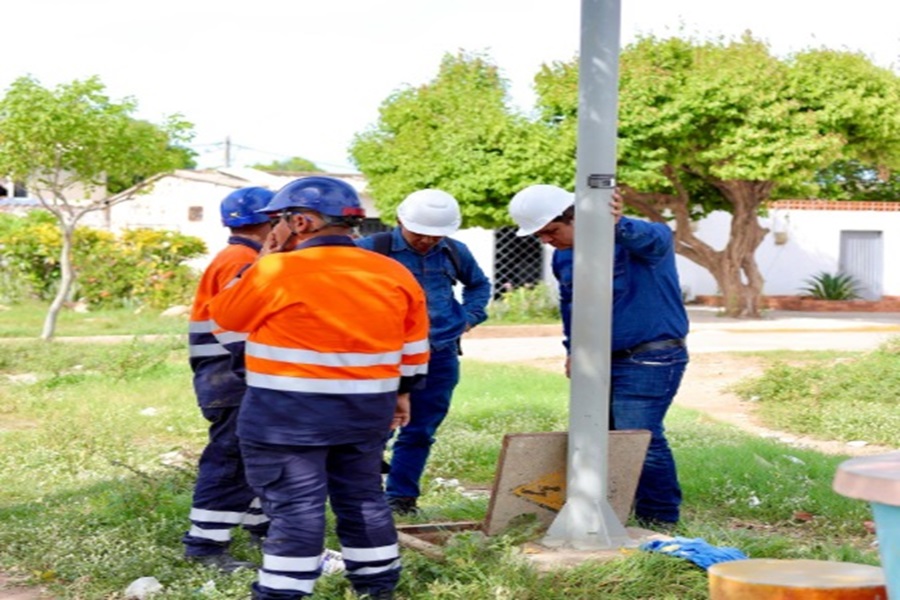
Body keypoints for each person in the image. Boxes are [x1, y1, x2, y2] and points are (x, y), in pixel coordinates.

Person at [209, 176, 430, 600]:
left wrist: (261, 262)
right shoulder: (394, 272)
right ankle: (378, 588)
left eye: (278, 221)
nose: (272, 230)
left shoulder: (275, 270)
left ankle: (282, 593)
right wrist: (402, 395)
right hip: (367, 414)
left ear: (302, 222)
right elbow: (415, 348)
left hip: (286, 418)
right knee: (364, 499)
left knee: (297, 508)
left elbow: (224, 320)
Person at [508, 184, 689, 529]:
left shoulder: (643, 239)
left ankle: (660, 520)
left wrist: (616, 225)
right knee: (599, 437)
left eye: (552, 231)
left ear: (577, 217)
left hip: (649, 358)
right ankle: (615, 513)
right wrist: (573, 350)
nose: (547, 240)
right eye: (540, 236)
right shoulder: (564, 256)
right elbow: (570, 306)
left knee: (639, 438)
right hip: (597, 360)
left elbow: (654, 237)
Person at [356, 189, 491, 515]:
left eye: (436, 235)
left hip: (440, 354)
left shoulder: (455, 252)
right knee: (375, 428)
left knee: (419, 430)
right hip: (386, 356)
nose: (428, 241)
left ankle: (401, 499)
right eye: (420, 234)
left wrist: (468, 318)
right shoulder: (372, 250)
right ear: (401, 220)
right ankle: (363, 500)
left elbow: (479, 285)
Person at [183, 186, 274, 572]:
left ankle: (265, 528)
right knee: (231, 460)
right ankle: (205, 546)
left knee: (253, 459)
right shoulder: (245, 261)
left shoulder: (234, 255)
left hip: (222, 375)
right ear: (272, 222)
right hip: (232, 377)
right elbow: (238, 326)